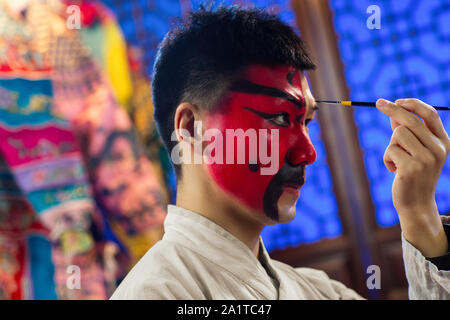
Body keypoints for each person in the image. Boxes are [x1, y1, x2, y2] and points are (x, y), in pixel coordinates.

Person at [110, 6, 450, 300]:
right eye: (277, 118)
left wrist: (418, 212)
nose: (307, 153)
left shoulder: (321, 291)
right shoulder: (155, 291)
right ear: (189, 127)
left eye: (306, 122)